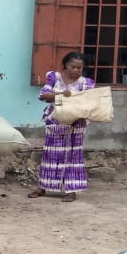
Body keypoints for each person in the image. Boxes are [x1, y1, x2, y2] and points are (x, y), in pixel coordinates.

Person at [29, 51, 95, 202]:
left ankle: (71, 191)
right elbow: (43, 95)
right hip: (55, 121)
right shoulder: (54, 77)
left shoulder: (86, 83)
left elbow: (90, 102)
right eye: (73, 66)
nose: (76, 70)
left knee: (73, 157)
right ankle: (43, 187)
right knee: (50, 155)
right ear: (66, 65)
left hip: (77, 123)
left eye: (79, 68)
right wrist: (61, 94)